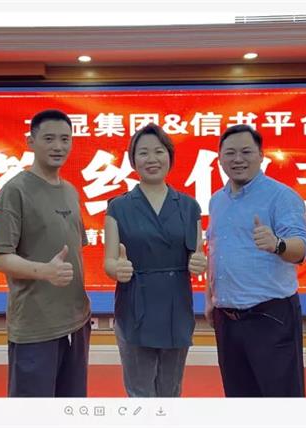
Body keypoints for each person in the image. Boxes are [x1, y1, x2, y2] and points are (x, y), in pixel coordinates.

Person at [0, 109, 91, 397]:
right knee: (34, 412)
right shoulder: (14, 191)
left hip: (77, 321)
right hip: (36, 325)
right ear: (30, 142)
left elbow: (75, 250)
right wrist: (44, 271)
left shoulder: (70, 191)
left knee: (71, 408)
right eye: (49, 138)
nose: (58, 146)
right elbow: (1, 258)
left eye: (65, 139)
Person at [205, 124, 306, 397]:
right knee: (239, 398)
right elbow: (216, 252)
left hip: (270, 317)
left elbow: (301, 249)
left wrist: (277, 244)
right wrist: (210, 298)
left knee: (280, 401)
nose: (238, 159)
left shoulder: (282, 197)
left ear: (261, 156)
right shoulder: (217, 201)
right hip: (227, 320)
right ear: (220, 159)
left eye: (246, 152)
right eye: (230, 153)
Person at [103, 123, 206, 397]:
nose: (152, 159)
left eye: (159, 152)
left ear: (169, 156)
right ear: (133, 160)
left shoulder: (189, 206)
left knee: (171, 391)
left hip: (176, 306)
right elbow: (109, 262)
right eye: (143, 153)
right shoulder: (118, 206)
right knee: (140, 391)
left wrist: (199, 263)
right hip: (135, 304)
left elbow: (197, 254)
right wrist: (117, 269)